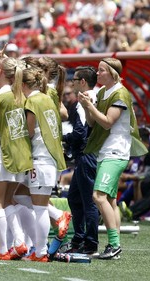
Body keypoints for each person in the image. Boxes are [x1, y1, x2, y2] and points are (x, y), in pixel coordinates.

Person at [78, 57, 147, 260]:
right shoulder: (102, 92)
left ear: (113, 74)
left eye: (101, 70)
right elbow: (93, 123)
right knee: (109, 199)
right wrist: (87, 106)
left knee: (98, 196)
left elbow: (107, 122)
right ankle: (114, 246)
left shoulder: (120, 92)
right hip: (106, 151)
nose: (97, 74)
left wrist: (90, 107)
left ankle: (114, 245)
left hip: (116, 151)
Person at [0, 48, 33, 260]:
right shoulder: (22, 95)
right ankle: (18, 243)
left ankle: (7, 247)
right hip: (20, 152)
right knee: (8, 201)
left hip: (0, 149)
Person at [21, 66, 67, 262]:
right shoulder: (47, 97)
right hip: (49, 157)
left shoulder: (32, 100)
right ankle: (57, 214)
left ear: (23, 84)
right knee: (17, 195)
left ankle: (40, 253)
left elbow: (29, 132)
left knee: (39, 208)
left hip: (41, 157)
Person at [63, 66, 99, 256]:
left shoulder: (84, 100)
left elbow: (80, 132)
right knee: (75, 198)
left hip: (87, 155)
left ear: (83, 82)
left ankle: (90, 243)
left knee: (88, 200)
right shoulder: (94, 95)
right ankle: (79, 238)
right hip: (87, 156)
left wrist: (63, 139)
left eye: (75, 80)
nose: (72, 82)